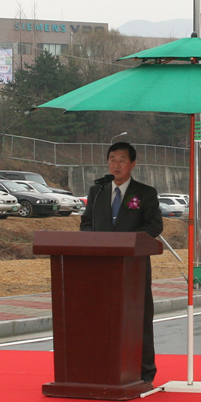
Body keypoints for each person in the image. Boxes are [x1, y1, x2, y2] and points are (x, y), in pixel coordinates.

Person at [79, 142, 163, 387]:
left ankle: (144, 372)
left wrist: (130, 241)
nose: (115, 164)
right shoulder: (98, 190)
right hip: (102, 264)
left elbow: (155, 226)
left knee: (139, 317)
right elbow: (86, 222)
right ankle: (103, 366)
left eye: (122, 160)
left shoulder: (145, 193)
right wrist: (92, 240)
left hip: (133, 264)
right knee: (102, 316)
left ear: (133, 164)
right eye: (112, 159)